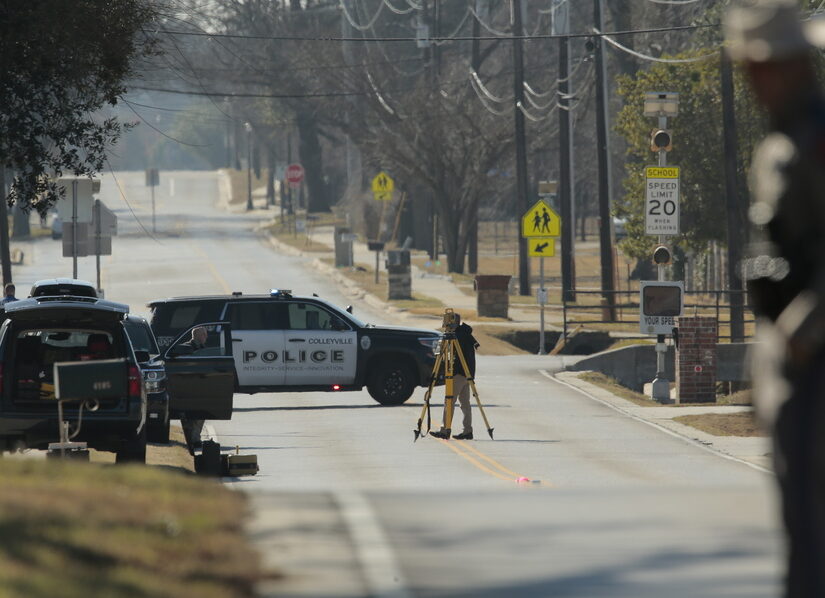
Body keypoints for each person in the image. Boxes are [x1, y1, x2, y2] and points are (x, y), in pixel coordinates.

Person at [725, 2, 825, 595]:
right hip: (793, 362)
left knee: (813, 542)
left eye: (757, 68)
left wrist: (800, 334)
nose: (752, 81)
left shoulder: (813, 144)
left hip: (815, 362)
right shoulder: (788, 137)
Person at [431, 313, 479, 440]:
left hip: (457, 373)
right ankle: (467, 430)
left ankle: (444, 429)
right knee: (465, 403)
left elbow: (439, 353)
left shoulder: (456, 337)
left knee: (449, 401)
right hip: (467, 374)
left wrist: (441, 343)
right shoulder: (466, 334)